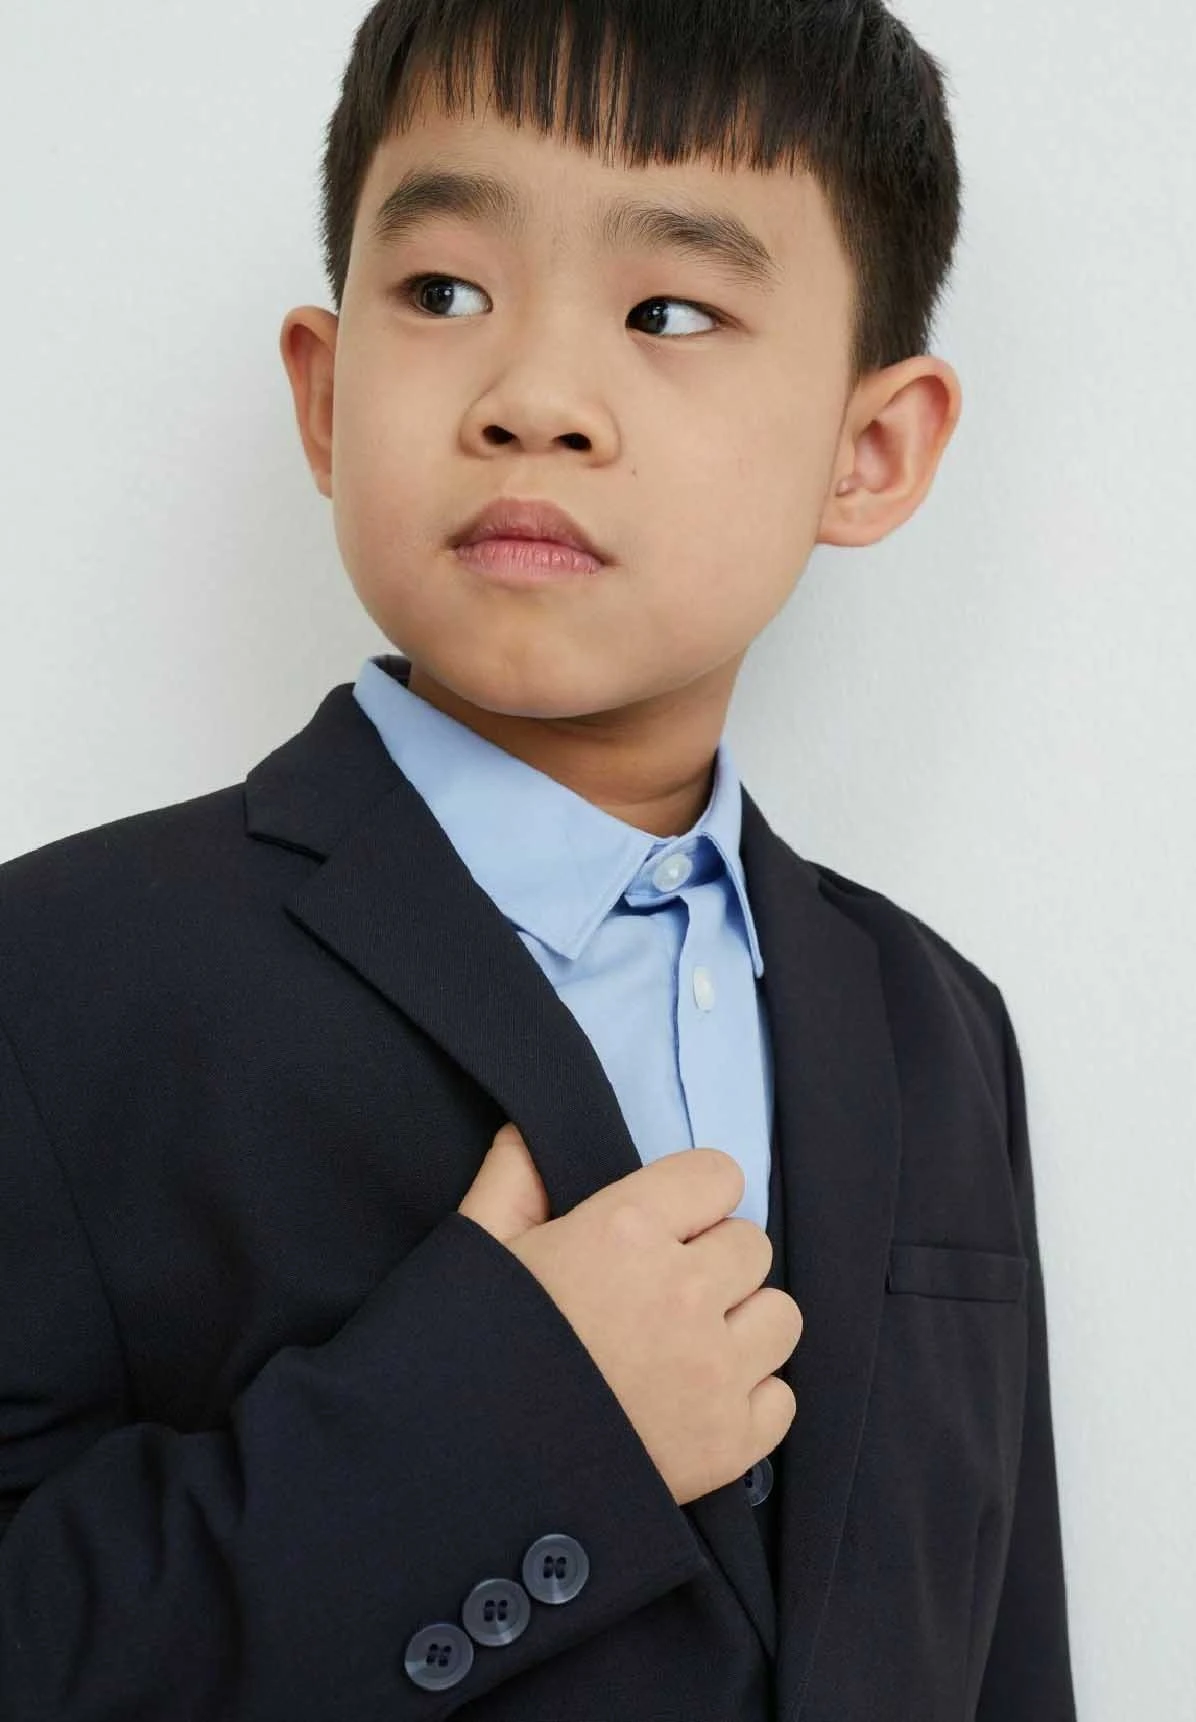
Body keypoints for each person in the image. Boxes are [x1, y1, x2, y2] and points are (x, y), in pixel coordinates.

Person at [0, 1, 1077, 1717]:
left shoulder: (940, 1028)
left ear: (870, 452)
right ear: (327, 392)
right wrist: (509, 1428)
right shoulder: (56, 976)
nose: (535, 400)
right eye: (444, 292)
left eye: (670, 310)